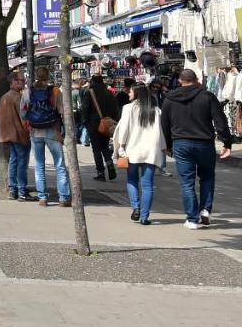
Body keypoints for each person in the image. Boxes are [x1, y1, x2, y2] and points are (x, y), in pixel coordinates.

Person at [160, 69, 231, 229]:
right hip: (204, 143)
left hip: (181, 143)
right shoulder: (207, 96)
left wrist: (168, 145)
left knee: (186, 182)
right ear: (197, 79)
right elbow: (220, 121)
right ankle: (205, 210)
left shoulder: (169, 99)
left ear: (179, 81)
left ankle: (192, 218)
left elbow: (164, 125)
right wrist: (227, 142)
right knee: (207, 177)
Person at [113, 83, 163, 225]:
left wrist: (121, 146)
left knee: (132, 180)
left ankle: (136, 208)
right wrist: (163, 148)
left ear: (137, 94)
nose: (128, 94)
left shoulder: (128, 109)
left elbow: (124, 130)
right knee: (147, 185)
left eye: (130, 92)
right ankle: (145, 217)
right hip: (151, 151)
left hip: (132, 150)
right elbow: (160, 131)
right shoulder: (156, 110)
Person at [24, 67, 72, 207]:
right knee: (60, 165)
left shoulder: (28, 92)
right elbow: (62, 111)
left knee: (39, 165)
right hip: (52, 130)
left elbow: (23, 112)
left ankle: (43, 198)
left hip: (35, 132)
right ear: (48, 76)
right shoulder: (56, 91)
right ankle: (63, 198)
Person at [0, 72, 31, 200]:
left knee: (14, 160)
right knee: (22, 162)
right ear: (14, 81)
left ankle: (13, 190)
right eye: (22, 80)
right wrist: (28, 131)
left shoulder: (5, 97)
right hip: (19, 134)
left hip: (8, 134)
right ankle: (22, 191)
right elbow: (24, 118)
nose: (24, 82)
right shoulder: (18, 97)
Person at [81, 74, 120, 181]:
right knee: (105, 146)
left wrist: (85, 122)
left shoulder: (90, 93)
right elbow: (116, 109)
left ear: (92, 82)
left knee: (96, 149)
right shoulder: (109, 93)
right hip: (107, 123)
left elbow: (84, 109)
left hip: (94, 124)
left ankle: (100, 172)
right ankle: (110, 165)